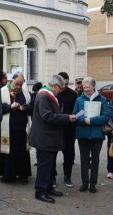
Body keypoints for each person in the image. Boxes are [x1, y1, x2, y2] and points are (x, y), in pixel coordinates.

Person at [29, 75, 76, 203]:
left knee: (50, 166)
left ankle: (48, 188)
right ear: (54, 86)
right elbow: (47, 116)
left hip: (50, 138)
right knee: (44, 166)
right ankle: (40, 191)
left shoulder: (48, 95)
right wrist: (66, 118)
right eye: (60, 88)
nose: (61, 90)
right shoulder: (44, 96)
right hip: (45, 138)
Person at [73, 77, 109, 193]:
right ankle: (84, 183)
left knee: (95, 159)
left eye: (87, 86)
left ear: (93, 86)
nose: (85, 89)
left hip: (96, 134)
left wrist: (92, 120)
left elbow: (106, 116)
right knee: (84, 160)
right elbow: (75, 115)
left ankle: (93, 183)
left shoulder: (102, 100)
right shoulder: (79, 100)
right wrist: (83, 119)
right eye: (84, 87)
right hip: (83, 134)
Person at [0, 72, 32, 183]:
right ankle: (8, 175)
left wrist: (26, 108)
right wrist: (10, 106)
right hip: (7, 129)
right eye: (17, 84)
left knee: (21, 152)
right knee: (7, 153)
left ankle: (22, 174)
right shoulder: (0, 93)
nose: (19, 87)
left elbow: (32, 107)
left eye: (21, 84)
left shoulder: (26, 94)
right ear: (11, 81)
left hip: (21, 128)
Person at [52, 72, 78, 188]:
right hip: (54, 129)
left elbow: (76, 111)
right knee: (52, 154)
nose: (64, 86)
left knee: (68, 154)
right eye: (63, 84)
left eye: (66, 84)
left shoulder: (73, 95)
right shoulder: (52, 94)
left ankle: (67, 176)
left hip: (68, 129)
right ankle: (52, 176)